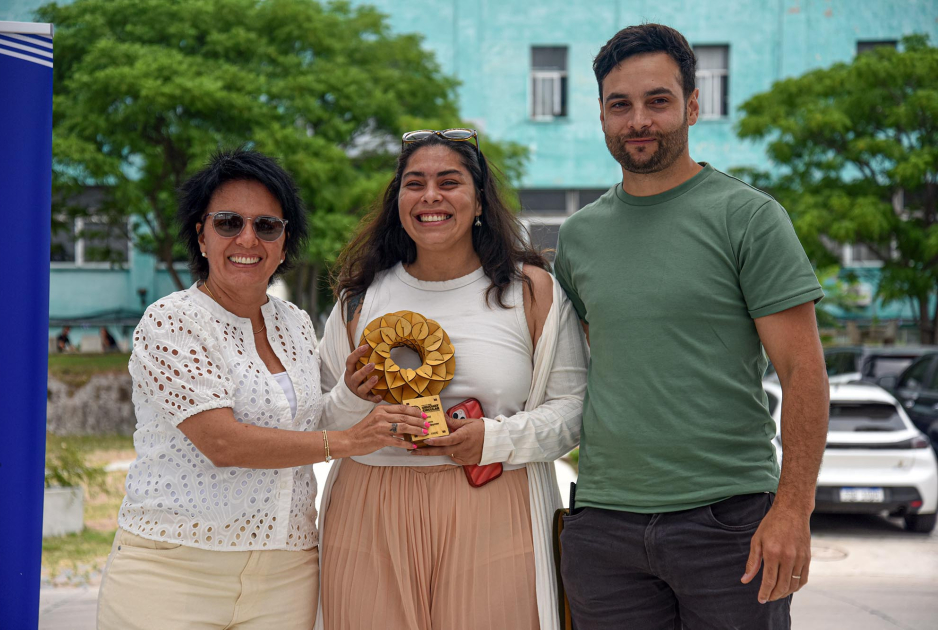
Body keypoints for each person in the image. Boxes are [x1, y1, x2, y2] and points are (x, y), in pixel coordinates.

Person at [555, 24, 830, 629]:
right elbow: (584, 366)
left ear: (694, 106)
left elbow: (804, 370)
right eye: (619, 105)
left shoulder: (749, 217)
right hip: (604, 525)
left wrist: (793, 509)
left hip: (728, 524)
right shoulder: (578, 236)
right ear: (601, 114)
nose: (638, 120)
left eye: (658, 100)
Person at [96, 148, 429, 630]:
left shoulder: (294, 322)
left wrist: (353, 394)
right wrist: (350, 441)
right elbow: (223, 442)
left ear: (283, 242)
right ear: (202, 235)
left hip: (286, 574)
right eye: (228, 222)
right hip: (172, 571)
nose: (248, 239)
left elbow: (303, 426)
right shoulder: (171, 320)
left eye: (267, 226)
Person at [314, 129, 588, 630]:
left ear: (479, 200)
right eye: (414, 183)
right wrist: (353, 398)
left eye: (449, 182)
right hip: (369, 511)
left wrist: (493, 440)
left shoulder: (530, 292)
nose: (430, 196)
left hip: (494, 508)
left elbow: (574, 410)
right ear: (398, 201)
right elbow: (318, 420)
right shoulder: (359, 300)